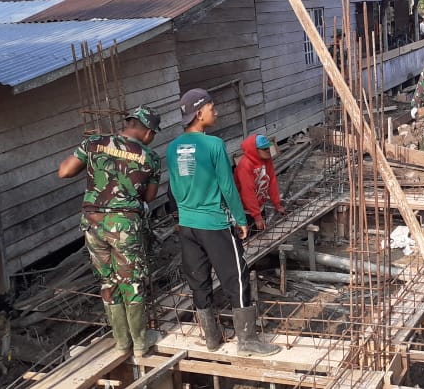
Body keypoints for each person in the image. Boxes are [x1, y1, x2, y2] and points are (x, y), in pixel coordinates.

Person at [167, 88, 281, 357]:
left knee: (199, 279)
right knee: (236, 277)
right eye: (211, 107)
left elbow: (172, 188)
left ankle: (211, 338)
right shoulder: (214, 145)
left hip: (187, 225)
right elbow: (228, 188)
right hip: (213, 223)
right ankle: (248, 340)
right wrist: (241, 219)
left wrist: (181, 216)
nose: (215, 111)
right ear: (199, 112)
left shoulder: (172, 148)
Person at [58, 106, 162, 357]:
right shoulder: (150, 157)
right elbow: (149, 196)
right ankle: (139, 342)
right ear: (147, 131)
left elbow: (64, 171)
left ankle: (121, 341)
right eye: (153, 133)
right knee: (132, 282)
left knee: (108, 280)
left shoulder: (93, 143)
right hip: (124, 225)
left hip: (94, 224)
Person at [235, 134, 286, 231]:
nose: (268, 150)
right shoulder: (245, 165)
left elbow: (272, 181)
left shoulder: (267, 160)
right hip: (245, 210)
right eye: (264, 149)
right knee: (250, 239)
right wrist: (257, 216)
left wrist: (277, 204)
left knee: (262, 234)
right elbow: (248, 192)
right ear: (254, 150)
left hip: (259, 206)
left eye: (268, 147)